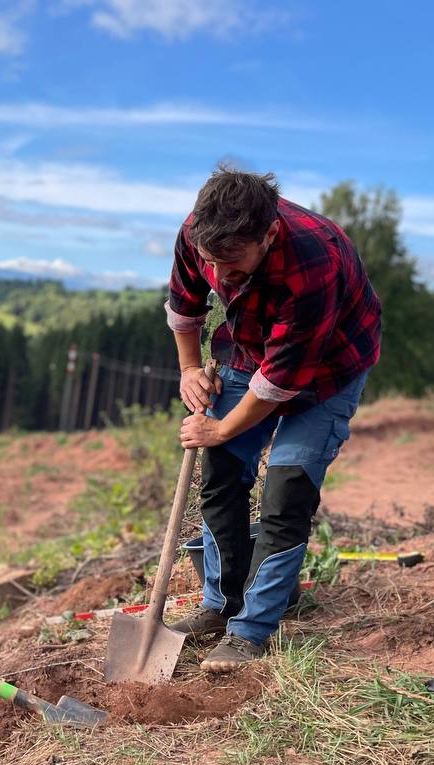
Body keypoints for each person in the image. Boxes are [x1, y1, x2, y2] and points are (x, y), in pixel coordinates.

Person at [165, 164, 382, 673]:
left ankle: (251, 630)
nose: (220, 276)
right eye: (211, 261)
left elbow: (280, 382)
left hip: (327, 368)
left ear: (267, 235)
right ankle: (220, 607)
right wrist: (190, 368)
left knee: (287, 491)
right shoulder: (201, 232)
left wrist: (219, 426)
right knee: (220, 474)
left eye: (233, 267)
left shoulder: (312, 261)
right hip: (246, 352)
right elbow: (185, 306)